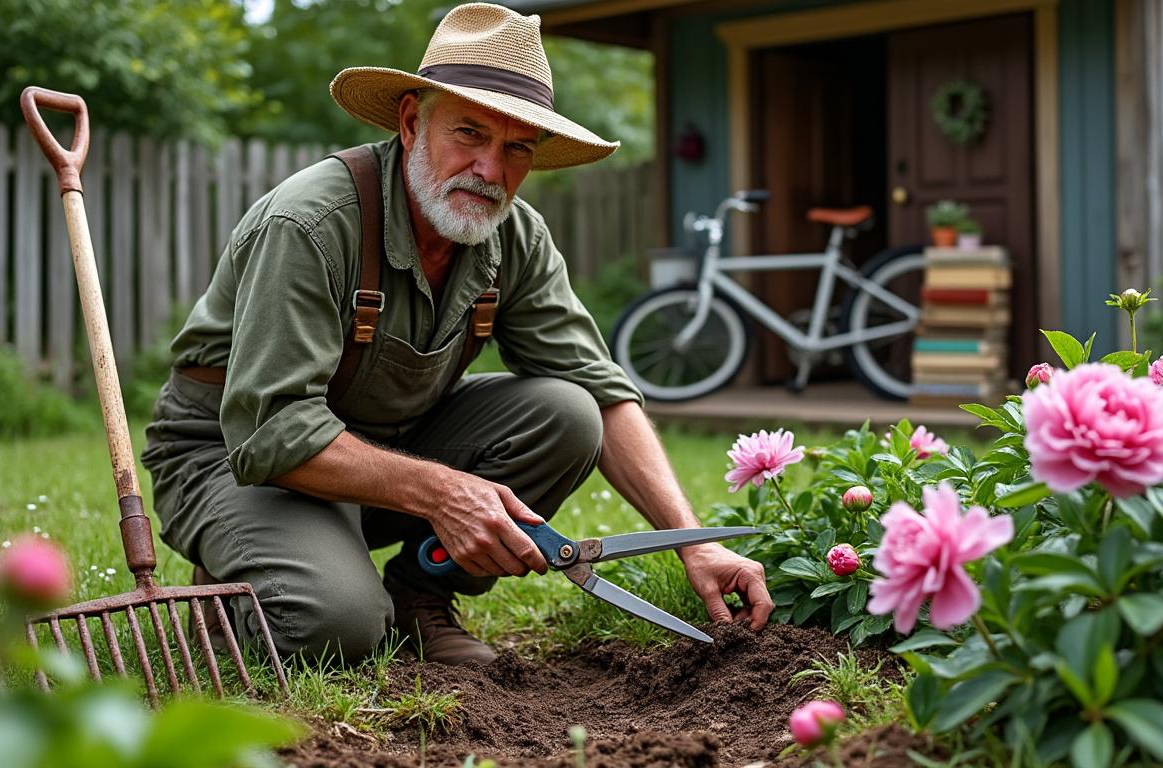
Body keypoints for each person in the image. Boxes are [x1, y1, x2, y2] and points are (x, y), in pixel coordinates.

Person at [141, 2, 772, 665]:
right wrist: (445, 493)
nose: (491, 171)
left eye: (516, 147)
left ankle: (420, 598)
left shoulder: (515, 236)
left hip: (382, 446)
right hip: (236, 459)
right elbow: (271, 431)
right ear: (413, 123)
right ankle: (247, 570)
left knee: (568, 415)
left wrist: (694, 541)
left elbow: (602, 391)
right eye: (469, 133)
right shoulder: (311, 224)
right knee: (337, 627)